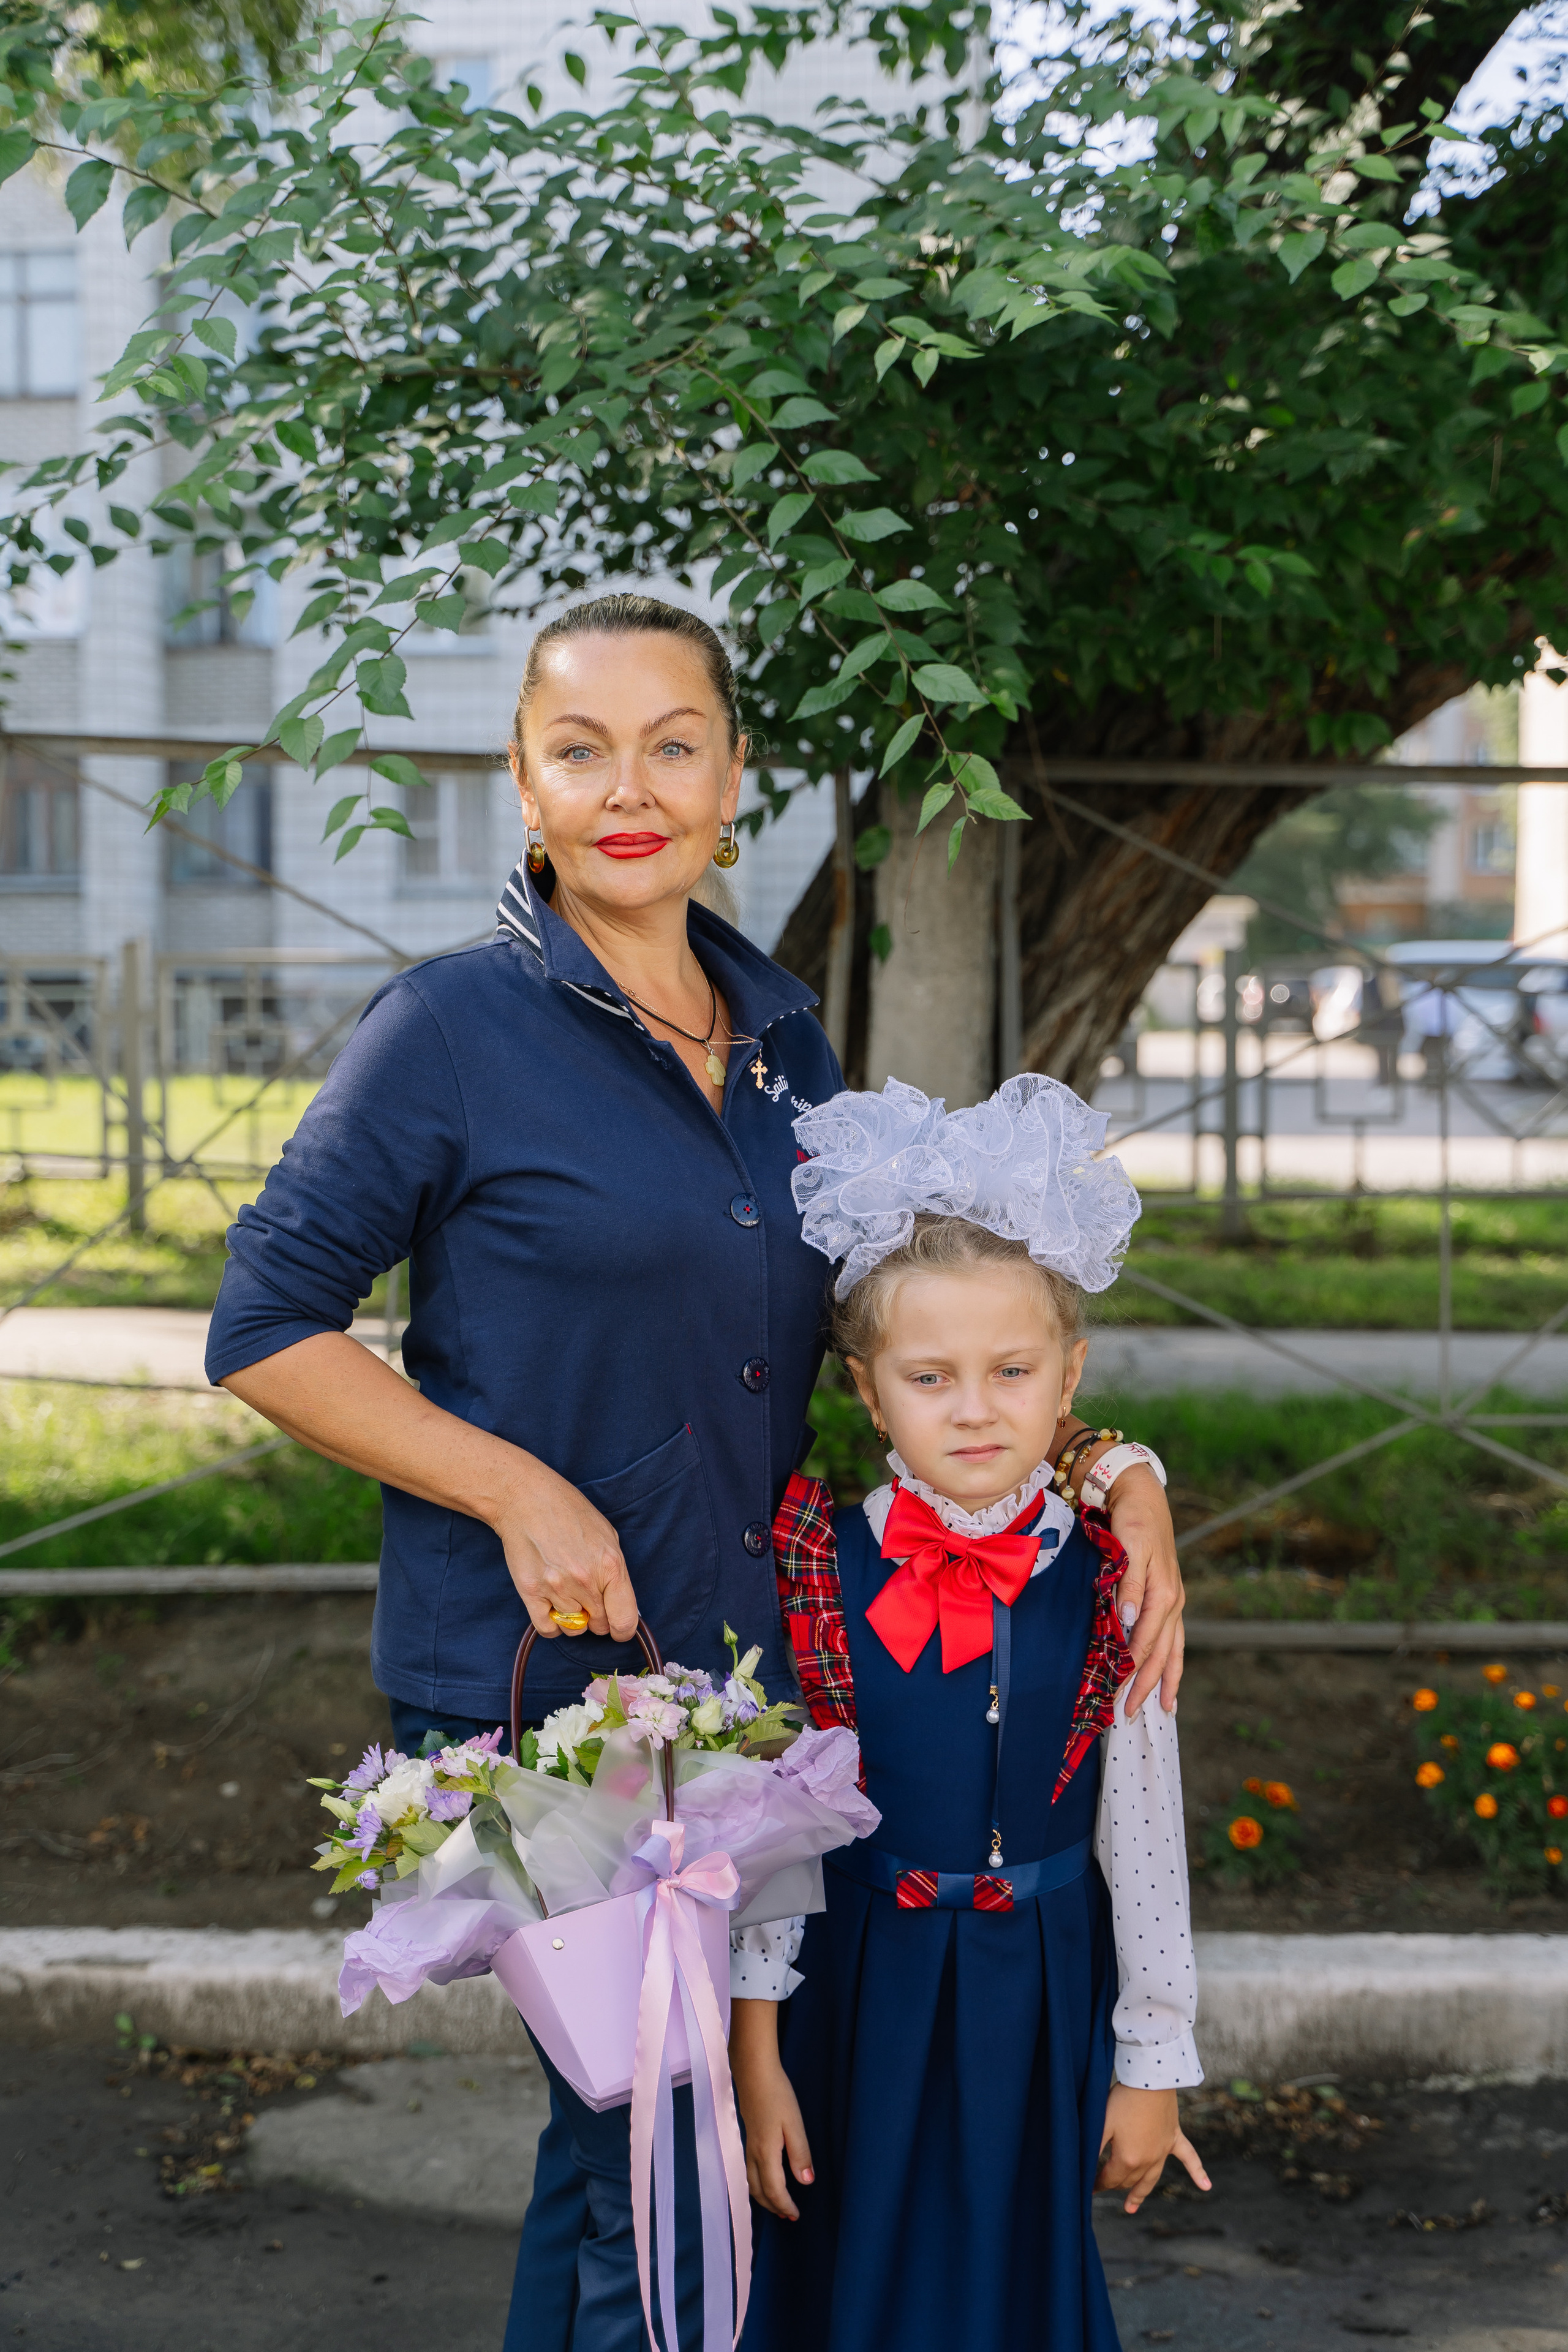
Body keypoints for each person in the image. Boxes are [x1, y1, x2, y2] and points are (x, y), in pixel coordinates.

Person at [203, 594, 1189, 2351]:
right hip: (551, 1700)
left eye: (674, 743)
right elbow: (267, 1327)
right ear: (524, 782)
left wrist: (1117, 1467)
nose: (629, 786)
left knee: (627, 2154)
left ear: (737, 777)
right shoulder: (445, 1032)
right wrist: (515, 1488)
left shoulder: (785, 1046)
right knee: (650, 2152)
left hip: (756, 1697)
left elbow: (892, 1341)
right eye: (580, 748)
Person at [729, 1074, 1208, 2352]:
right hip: (855, 1983)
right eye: (929, 1376)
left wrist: (1153, 2062)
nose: (975, 1407)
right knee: (846, 2267)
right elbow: (774, 1829)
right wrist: (752, 2047)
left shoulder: (1113, 1573)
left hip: (1034, 1986)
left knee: (1011, 2278)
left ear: (1069, 1379)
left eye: (1011, 1370)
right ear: (868, 1389)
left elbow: (1144, 1837)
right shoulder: (811, 1560)